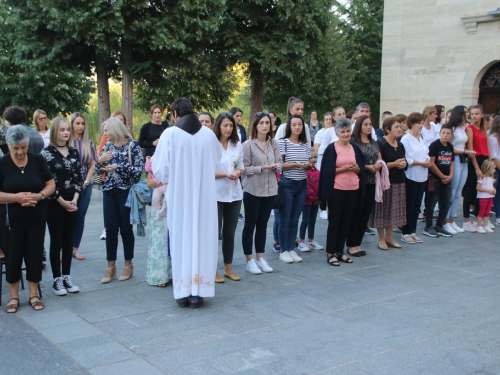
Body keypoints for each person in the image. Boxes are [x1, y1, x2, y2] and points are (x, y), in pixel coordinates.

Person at [153, 97, 221, 308]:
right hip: (204, 196)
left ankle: (183, 292)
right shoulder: (209, 134)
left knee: (182, 239)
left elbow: (161, 170)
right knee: (202, 237)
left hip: (180, 196)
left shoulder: (170, 134)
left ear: (175, 114)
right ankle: (198, 292)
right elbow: (217, 159)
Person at [0, 125, 55, 312]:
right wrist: (16, 197)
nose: (20, 151)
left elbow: (50, 184)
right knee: (13, 256)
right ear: (8, 145)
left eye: (23, 147)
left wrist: (39, 196)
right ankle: (13, 297)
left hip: (36, 217)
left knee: (34, 255)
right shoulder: (2, 164)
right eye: (16, 148)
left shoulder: (37, 160)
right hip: (11, 221)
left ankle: (34, 294)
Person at [95, 118, 144, 284]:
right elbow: (97, 170)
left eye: (107, 130)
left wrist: (119, 167)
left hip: (125, 192)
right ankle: (110, 266)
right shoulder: (107, 146)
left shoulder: (132, 146)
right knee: (110, 229)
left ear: (115, 130)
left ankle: (128, 265)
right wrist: (99, 162)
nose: (105, 134)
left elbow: (138, 171)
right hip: (108, 191)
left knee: (125, 228)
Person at [41, 117, 83, 295]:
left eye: (67, 129)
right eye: (62, 130)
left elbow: (79, 179)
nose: (66, 133)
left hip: (72, 201)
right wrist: (62, 201)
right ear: (55, 132)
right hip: (54, 202)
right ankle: (56, 279)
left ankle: (67, 276)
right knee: (56, 240)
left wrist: (74, 199)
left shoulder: (74, 152)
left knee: (68, 240)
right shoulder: (46, 154)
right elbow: (47, 181)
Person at [318, 118, 365, 266]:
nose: (345, 134)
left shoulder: (355, 148)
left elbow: (361, 168)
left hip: (353, 189)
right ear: (337, 133)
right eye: (342, 132)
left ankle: (340, 251)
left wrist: (357, 169)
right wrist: (345, 169)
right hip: (337, 189)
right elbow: (326, 170)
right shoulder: (332, 148)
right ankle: (330, 252)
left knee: (347, 221)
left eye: (347, 131)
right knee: (335, 221)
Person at [241, 112, 281, 274]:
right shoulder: (248, 144)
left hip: (270, 189)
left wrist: (277, 166)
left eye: (267, 123)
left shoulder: (274, 143)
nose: (265, 126)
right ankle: (249, 260)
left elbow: (280, 162)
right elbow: (243, 169)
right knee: (250, 224)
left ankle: (260, 257)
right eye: (261, 123)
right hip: (253, 189)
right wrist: (262, 168)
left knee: (263, 226)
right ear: (255, 125)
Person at [212, 113, 244, 282]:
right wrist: (225, 174)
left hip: (235, 193)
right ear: (218, 126)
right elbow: (206, 171)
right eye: (225, 125)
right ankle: (212, 269)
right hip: (216, 194)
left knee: (230, 233)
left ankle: (228, 268)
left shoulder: (237, 145)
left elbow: (241, 166)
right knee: (214, 234)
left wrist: (237, 172)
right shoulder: (212, 145)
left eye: (231, 126)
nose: (228, 128)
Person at [369, 117, 407, 249]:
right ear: (387, 129)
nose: (399, 129)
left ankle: (390, 238)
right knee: (382, 210)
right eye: (396, 127)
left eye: (400, 127)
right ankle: (381, 238)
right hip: (385, 182)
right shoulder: (381, 143)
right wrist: (394, 164)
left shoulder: (400, 144)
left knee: (393, 210)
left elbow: (404, 160)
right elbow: (380, 163)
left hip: (399, 181)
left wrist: (403, 164)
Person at [347, 115, 382, 255]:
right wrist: (368, 167)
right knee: (356, 213)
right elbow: (352, 161)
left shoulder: (373, 142)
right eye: (365, 124)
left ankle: (357, 243)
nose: (368, 126)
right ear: (359, 125)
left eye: (370, 124)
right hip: (358, 182)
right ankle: (350, 243)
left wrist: (379, 165)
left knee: (366, 213)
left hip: (372, 181)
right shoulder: (353, 142)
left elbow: (379, 157)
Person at [278, 115, 311, 263]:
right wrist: (297, 164)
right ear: (289, 127)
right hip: (287, 184)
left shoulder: (305, 144)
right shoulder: (283, 143)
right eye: (294, 125)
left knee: (295, 219)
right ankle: (283, 250)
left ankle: (291, 248)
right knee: (285, 219)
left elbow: (309, 162)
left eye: (299, 124)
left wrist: (309, 165)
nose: (297, 127)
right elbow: (280, 165)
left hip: (302, 184)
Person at [443, 106, 475, 234]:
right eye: (465, 113)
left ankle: (451, 219)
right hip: (455, 159)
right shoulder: (451, 129)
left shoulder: (462, 128)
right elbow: (448, 148)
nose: (467, 115)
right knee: (452, 191)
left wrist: (466, 152)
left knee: (458, 192)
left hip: (463, 160)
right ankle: (445, 220)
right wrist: (465, 151)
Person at [70, 112, 97, 261]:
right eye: (77, 123)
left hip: (85, 184)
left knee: (80, 217)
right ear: (72, 125)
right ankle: (63, 248)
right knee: (68, 216)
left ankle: (75, 248)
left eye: (82, 123)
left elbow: (92, 164)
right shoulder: (67, 142)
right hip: (69, 185)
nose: (80, 126)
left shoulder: (89, 143)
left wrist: (86, 182)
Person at [400, 112, 430, 243]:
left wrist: (427, 160)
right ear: (411, 124)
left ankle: (413, 230)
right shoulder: (406, 139)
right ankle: (406, 231)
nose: (421, 126)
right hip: (411, 175)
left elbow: (425, 152)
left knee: (418, 204)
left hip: (422, 175)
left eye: (422, 123)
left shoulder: (421, 137)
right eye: (419, 123)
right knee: (410, 204)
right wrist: (421, 163)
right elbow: (406, 159)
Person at [462, 105, 490, 232]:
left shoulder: (483, 127)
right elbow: (471, 149)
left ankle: (479, 219)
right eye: (472, 114)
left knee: (482, 191)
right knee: (470, 190)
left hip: (485, 160)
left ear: (482, 114)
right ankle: (466, 220)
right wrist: (477, 168)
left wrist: (489, 163)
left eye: (477, 114)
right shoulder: (470, 129)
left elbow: (487, 145)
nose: (474, 116)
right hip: (475, 160)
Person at [424, 125, 455, 237]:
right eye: (444, 133)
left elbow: (452, 162)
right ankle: (428, 227)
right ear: (440, 133)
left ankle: (439, 225)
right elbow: (431, 163)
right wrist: (442, 176)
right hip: (436, 178)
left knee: (447, 202)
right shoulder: (435, 145)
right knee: (431, 202)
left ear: (451, 135)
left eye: (448, 133)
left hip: (447, 178)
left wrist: (450, 175)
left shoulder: (450, 147)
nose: (446, 135)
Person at [145, 156, 171, 287]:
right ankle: (160, 275)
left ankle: (173, 273)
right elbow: (149, 182)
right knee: (160, 240)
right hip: (159, 208)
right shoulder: (156, 157)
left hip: (174, 202)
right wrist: (166, 181)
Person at [297, 148, 323, 251]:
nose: (313, 159)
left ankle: (311, 240)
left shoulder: (317, 171)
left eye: (315, 157)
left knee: (313, 220)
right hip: (307, 200)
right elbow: (306, 187)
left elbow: (320, 185)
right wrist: (312, 197)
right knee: (305, 220)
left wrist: (319, 197)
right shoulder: (305, 171)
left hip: (315, 200)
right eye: (311, 157)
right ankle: (302, 241)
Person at [475, 160, 496, 233]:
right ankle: (479, 226)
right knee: (482, 211)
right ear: (488, 168)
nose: (494, 170)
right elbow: (478, 187)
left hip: (490, 197)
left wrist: (493, 189)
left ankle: (486, 225)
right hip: (483, 197)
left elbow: (491, 186)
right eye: (493, 168)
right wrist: (488, 190)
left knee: (487, 212)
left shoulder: (490, 178)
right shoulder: (482, 178)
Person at [488, 115, 500, 225]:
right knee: (492, 190)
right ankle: (485, 217)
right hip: (495, 167)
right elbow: (494, 156)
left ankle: (498, 216)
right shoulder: (492, 138)